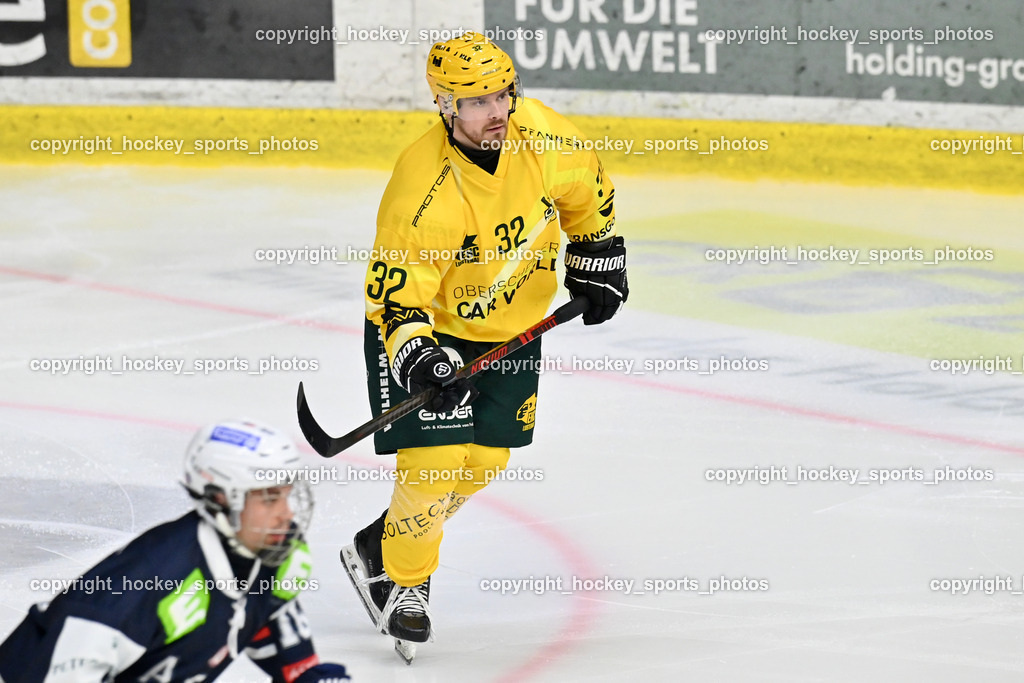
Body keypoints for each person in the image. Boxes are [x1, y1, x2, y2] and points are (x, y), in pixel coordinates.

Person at [346, 31, 628, 653]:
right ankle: (403, 582)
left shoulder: (546, 138)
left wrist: (598, 253)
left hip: (511, 331)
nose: (496, 110)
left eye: (502, 93)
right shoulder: (423, 190)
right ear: (446, 107)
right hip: (430, 332)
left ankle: (380, 542)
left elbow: (589, 191)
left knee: (483, 463)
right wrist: (419, 355)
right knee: (434, 466)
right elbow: (397, 297)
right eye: (476, 102)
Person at [0, 419, 350, 683]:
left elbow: (277, 644)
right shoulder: (148, 583)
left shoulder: (275, 557)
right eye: (269, 497)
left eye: (286, 495)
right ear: (219, 499)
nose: (286, 514)